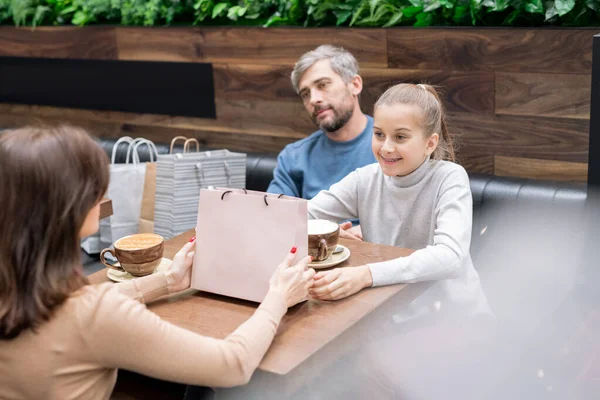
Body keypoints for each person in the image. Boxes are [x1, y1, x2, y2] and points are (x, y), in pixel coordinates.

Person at [0, 125, 315, 399]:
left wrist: (167, 281)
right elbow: (231, 364)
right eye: (94, 186)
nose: (102, 194)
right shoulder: (95, 316)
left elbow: (72, 309)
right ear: (68, 206)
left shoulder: (22, 289)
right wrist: (277, 298)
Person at [307, 83, 490, 321]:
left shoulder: (450, 177)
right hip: (389, 315)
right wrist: (331, 234)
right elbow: (300, 215)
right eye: (379, 134)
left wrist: (364, 275)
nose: (386, 147)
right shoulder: (365, 179)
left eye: (400, 136)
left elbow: (450, 257)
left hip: (455, 319)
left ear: (430, 143)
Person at [267, 44, 376, 239]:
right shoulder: (294, 157)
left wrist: (370, 234)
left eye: (323, 85)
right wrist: (324, 233)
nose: (314, 99)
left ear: (355, 85)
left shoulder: (393, 148)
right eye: (306, 94)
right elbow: (272, 219)